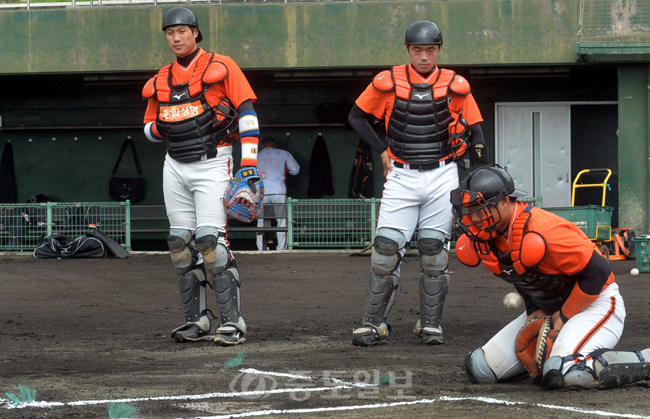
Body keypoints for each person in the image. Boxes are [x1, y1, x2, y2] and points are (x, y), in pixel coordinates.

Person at [347, 20, 489, 347]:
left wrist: (479, 171)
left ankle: (429, 325)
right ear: (408, 49)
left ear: (439, 50)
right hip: (401, 173)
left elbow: (477, 132)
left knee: (433, 251)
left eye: (430, 50)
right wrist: (381, 149)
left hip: (442, 173)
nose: (424, 56)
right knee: (384, 250)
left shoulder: (455, 85)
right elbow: (356, 117)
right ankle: (372, 324)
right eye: (417, 50)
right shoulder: (388, 82)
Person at [452, 165, 650, 390]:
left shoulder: (545, 230)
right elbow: (524, 277)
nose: (474, 218)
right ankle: (555, 359)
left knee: (567, 371)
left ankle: (644, 359)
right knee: (481, 367)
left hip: (597, 303)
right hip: (552, 307)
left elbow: (599, 272)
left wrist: (562, 318)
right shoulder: (486, 238)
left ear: (506, 202)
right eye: (469, 210)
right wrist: (534, 312)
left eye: (480, 208)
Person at [142, 7, 261, 346]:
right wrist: (160, 127)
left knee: (210, 241)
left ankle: (232, 322)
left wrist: (248, 164)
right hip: (174, 164)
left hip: (213, 161)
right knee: (179, 243)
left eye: (182, 30)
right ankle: (197, 322)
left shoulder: (221, 66)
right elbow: (149, 130)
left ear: (196, 32)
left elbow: (248, 114)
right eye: (170, 32)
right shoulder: (161, 79)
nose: (176, 37)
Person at [255, 136, 300, 251]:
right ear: (274, 145)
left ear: (262, 146)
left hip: (261, 192)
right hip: (278, 191)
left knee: (261, 221)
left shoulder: (257, 155)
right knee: (281, 220)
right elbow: (295, 170)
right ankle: (281, 248)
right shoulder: (283, 153)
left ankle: (261, 248)